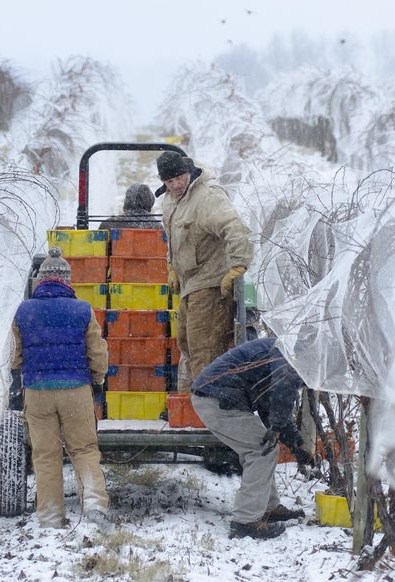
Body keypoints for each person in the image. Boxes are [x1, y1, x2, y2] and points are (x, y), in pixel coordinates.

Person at [10, 246, 111, 529]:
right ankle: (93, 506)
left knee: (45, 456)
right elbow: (97, 353)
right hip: (75, 390)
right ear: (67, 281)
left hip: (38, 394)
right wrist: (97, 379)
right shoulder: (82, 310)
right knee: (84, 449)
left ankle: (52, 517)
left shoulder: (23, 311)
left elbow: (14, 356)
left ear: (41, 280)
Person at [191, 337, 311, 539]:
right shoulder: (287, 353)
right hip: (217, 399)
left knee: (265, 446)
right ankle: (245, 521)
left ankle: (267, 507)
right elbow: (283, 387)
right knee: (260, 450)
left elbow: (268, 402)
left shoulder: (279, 351)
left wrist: (295, 442)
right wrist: (278, 426)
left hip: (217, 396)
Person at [155, 151, 253, 391]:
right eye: (169, 181)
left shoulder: (207, 197)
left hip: (211, 283)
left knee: (205, 349)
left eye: (180, 178)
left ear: (189, 172)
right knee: (186, 342)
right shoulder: (170, 200)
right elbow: (173, 239)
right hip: (189, 284)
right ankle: (195, 402)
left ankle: (209, 406)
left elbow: (236, 229)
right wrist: (172, 266)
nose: (176, 184)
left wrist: (238, 266)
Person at [97, 183, 161, 230]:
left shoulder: (109, 225)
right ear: (150, 202)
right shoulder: (158, 227)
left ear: (127, 201)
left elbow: (97, 247)